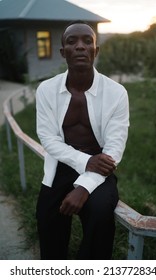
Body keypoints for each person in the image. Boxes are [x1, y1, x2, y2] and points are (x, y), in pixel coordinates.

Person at [35, 20, 129, 260]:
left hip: (101, 167)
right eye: (71, 41)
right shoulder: (46, 90)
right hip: (62, 166)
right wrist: (86, 161)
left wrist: (84, 186)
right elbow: (48, 138)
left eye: (87, 42)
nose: (79, 46)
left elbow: (115, 147)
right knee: (47, 218)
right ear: (62, 52)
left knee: (99, 213)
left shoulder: (116, 93)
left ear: (95, 51)